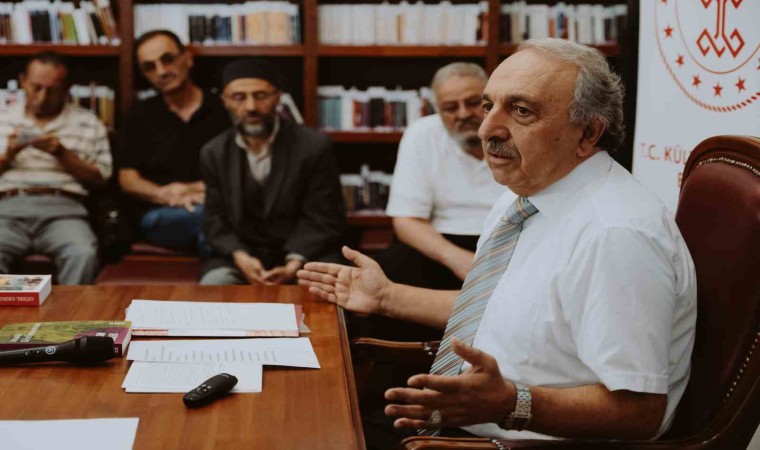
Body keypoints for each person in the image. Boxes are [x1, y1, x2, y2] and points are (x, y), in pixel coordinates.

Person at [298, 38, 697, 446]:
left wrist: (511, 404)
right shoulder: (522, 196)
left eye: (521, 110)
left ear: (589, 132)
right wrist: (386, 296)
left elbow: (640, 412)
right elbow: (501, 310)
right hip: (459, 419)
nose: (486, 128)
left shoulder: (615, 235)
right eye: (489, 106)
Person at [199, 59, 346, 285]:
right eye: (239, 97)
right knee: (215, 283)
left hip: (305, 254)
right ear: (225, 101)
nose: (251, 107)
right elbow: (215, 220)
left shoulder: (314, 147)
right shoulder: (213, 153)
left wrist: (293, 263)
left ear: (278, 97)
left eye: (260, 96)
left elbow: (324, 217)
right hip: (241, 256)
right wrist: (241, 257)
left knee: (322, 288)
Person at [377, 62, 505, 290]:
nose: (464, 114)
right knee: (388, 271)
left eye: (473, 103)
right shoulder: (421, 135)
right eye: (450, 107)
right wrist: (458, 260)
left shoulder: (518, 131)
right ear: (437, 110)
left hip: (506, 239)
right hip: (442, 243)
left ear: (492, 101)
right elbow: (406, 221)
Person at [0, 52, 112, 284]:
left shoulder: (88, 122)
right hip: (7, 209)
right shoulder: (2, 118)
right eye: (36, 87)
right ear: (22, 81)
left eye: (52, 90)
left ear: (67, 89)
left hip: (64, 211)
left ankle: (69, 310)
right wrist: (8, 156)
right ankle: (11, 308)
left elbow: (101, 179)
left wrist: (62, 153)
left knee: (83, 253)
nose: (42, 97)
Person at [117, 30, 229, 253]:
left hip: (214, 204)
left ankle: (216, 273)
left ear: (188, 58)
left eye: (168, 59)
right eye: (150, 67)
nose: (161, 71)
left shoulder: (224, 110)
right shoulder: (138, 116)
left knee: (213, 223)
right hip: (161, 213)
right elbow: (127, 179)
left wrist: (195, 191)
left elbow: (240, 171)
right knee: (214, 220)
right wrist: (166, 195)